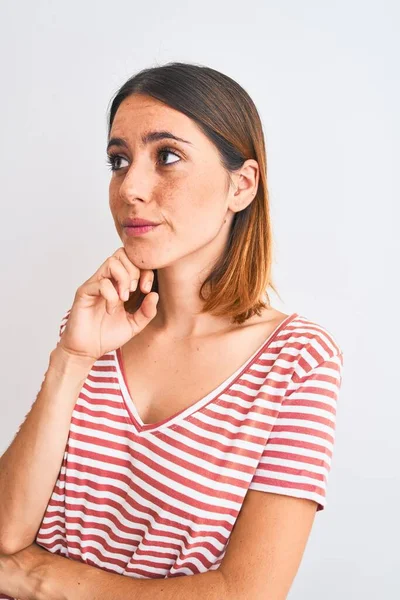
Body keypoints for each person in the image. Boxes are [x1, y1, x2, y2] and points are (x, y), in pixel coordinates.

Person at [0, 62, 344, 599]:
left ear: (241, 185)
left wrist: (41, 578)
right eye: (119, 161)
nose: (130, 187)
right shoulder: (95, 327)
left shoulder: (297, 361)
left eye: (168, 156)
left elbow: (246, 594)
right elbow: (5, 532)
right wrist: (71, 358)